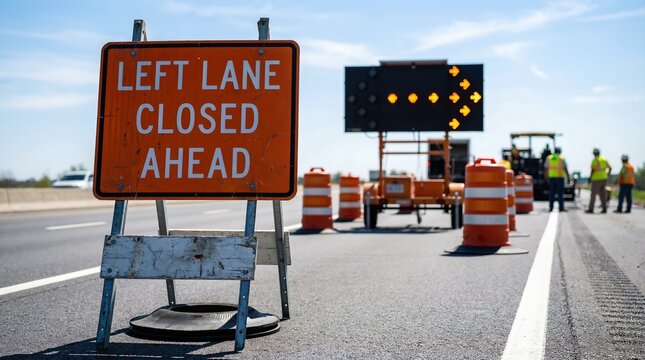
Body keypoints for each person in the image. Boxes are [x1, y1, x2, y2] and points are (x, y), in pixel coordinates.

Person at [586, 148, 612, 213]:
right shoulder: (604, 159)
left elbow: (593, 170)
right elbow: (610, 168)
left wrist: (590, 178)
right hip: (604, 179)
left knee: (593, 195)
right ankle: (604, 209)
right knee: (603, 194)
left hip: (596, 179)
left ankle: (591, 209)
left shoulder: (595, 160)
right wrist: (607, 175)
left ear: (594, 153)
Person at [545, 147, 569, 212]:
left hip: (552, 178)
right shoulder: (561, 158)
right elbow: (565, 168)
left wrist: (546, 177)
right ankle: (561, 208)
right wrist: (568, 177)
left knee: (551, 193)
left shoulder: (549, 158)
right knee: (560, 193)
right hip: (560, 177)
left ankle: (551, 208)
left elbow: (546, 169)